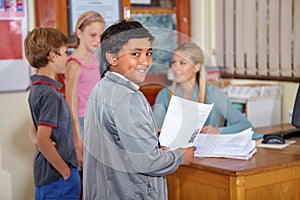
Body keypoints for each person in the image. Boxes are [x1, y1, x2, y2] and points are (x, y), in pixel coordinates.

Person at [83, 20, 196, 200]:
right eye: (135, 54)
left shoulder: (102, 87)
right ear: (112, 58)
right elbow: (148, 162)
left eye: (148, 53)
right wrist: (180, 156)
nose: (145, 61)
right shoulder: (129, 98)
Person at [25, 27, 80, 200]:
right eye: (65, 52)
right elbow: (43, 140)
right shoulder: (50, 95)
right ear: (52, 56)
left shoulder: (37, 89)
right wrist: (66, 173)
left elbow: (34, 129)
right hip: (58, 177)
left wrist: (37, 141)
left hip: (46, 175)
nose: (67, 57)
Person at [153, 42, 253, 134]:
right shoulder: (164, 94)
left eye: (183, 63)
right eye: (174, 62)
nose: (175, 68)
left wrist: (218, 131)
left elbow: (246, 126)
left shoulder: (214, 94)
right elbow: (157, 130)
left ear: (197, 67)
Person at [64, 11, 105, 167]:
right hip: (81, 122)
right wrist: (77, 138)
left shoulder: (93, 58)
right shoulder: (74, 64)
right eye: (92, 35)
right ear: (79, 33)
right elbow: (71, 106)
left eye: (100, 36)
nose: (97, 40)